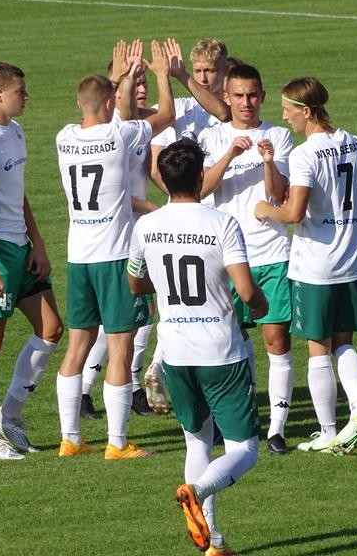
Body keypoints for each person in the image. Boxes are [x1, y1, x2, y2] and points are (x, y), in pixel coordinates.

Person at [127, 138, 268, 554]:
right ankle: (197, 490)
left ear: (164, 181)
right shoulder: (222, 224)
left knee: (197, 441)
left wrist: (161, 286)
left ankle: (214, 541)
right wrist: (261, 306)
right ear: (201, 176)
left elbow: (134, 282)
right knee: (245, 449)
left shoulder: (146, 226)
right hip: (221, 352)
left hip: (175, 352)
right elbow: (246, 291)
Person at [54, 40, 174, 459]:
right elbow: (165, 115)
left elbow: (103, 106)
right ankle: (117, 443)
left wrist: (117, 78)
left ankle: (70, 438)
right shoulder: (120, 135)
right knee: (121, 347)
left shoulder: (64, 137)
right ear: (110, 102)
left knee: (77, 347)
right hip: (114, 256)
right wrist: (160, 75)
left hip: (78, 257)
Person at [255, 77, 357, 455]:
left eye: (288, 110)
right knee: (343, 342)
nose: (284, 116)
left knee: (318, 348)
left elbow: (293, 213)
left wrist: (265, 210)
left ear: (306, 111)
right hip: (352, 259)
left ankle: (327, 431)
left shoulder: (305, 154)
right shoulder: (354, 142)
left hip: (316, 266)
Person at [0, 62, 63, 460]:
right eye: (21, 91)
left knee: (51, 328)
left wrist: (38, 242)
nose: (27, 96)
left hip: (20, 246)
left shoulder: (16, 132)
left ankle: (10, 417)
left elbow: (17, 194)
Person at [199, 63, 295, 455]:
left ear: (262, 96)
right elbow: (200, 189)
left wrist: (268, 162)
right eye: (238, 95)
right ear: (226, 97)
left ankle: (277, 429)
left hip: (271, 251)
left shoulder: (279, 135)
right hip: (226, 258)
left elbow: (279, 195)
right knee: (232, 341)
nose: (246, 102)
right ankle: (242, 418)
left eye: (253, 95)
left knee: (276, 339)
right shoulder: (211, 137)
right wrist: (228, 155)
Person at [143, 38, 232, 411]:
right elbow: (154, 162)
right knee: (190, 301)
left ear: (225, 70)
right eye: (198, 71)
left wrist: (180, 76)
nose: (204, 77)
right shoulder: (179, 109)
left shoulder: (231, 105)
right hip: (187, 216)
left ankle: (162, 364)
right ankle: (166, 367)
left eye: (210, 71)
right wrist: (182, 194)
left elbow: (223, 112)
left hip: (220, 216)